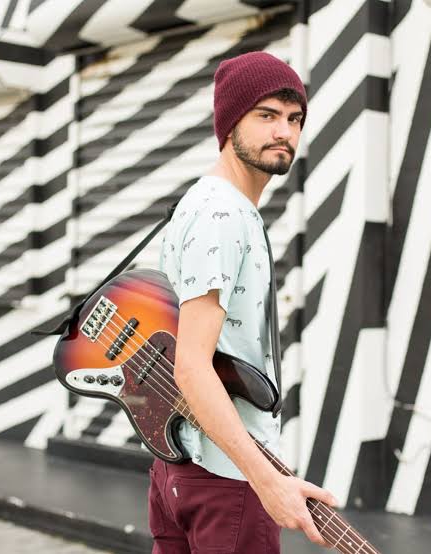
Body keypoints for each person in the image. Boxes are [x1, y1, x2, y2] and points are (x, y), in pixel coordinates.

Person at [148, 51, 337, 554]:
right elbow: (191, 367)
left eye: (295, 119)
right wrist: (268, 481)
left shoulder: (198, 201)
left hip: (180, 465)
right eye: (267, 115)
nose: (285, 133)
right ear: (230, 120)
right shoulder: (224, 215)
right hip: (227, 482)